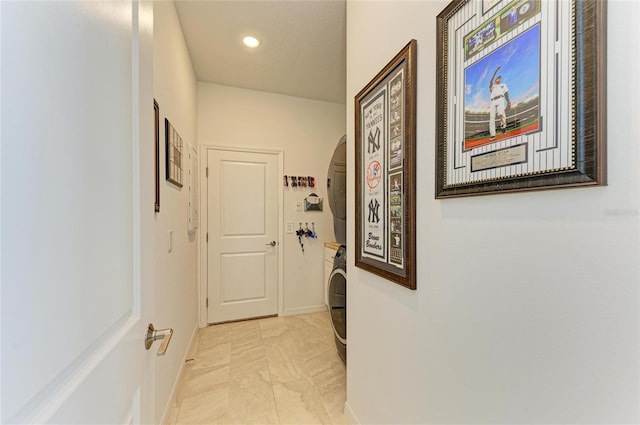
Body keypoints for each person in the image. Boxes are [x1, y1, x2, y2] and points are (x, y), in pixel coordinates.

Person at [488, 65, 510, 140]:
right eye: (497, 78)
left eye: (499, 78)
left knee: (501, 113)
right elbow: (491, 80)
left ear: (500, 79)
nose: (498, 79)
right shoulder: (492, 86)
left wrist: (508, 101)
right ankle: (492, 135)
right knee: (491, 118)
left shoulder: (503, 85)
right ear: (495, 79)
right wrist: (496, 70)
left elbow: (506, 93)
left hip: (501, 99)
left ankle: (503, 127)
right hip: (493, 101)